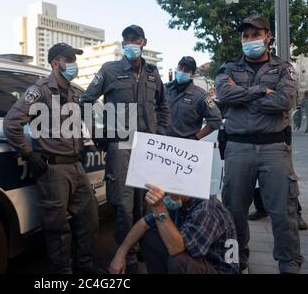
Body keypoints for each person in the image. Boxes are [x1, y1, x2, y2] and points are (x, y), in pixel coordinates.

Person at [215, 14, 303, 274]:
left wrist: (241, 97)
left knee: (283, 212)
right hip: (237, 148)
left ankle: (289, 265)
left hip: (274, 148)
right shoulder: (227, 68)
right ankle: (236, 261)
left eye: (256, 34)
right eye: (246, 35)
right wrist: (261, 91)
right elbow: (223, 94)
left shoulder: (284, 68)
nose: (250, 40)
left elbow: (284, 101)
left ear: (268, 37)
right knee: (233, 211)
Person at [4, 43, 102, 274]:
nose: (73, 64)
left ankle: (84, 265)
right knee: (58, 228)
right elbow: (11, 124)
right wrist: (28, 153)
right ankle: (62, 272)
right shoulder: (41, 91)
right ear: (55, 63)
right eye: (68, 59)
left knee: (89, 219)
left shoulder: (74, 93)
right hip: (53, 169)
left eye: (74, 59)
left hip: (76, 165)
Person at [80, 25, 170, 273]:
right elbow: (85, 101)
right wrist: (101, 137)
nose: (130, 43)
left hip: (147, 146)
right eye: (126, 40)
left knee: (145, 202)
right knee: (123, 204)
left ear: (144, 42)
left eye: (135, 39)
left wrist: (160, 134)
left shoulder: (153, 73)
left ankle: (141, 248)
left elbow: (163, 107)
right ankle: (126, 257)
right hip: (121, 145)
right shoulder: (109, 70)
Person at [109, 184, 239, 274]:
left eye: (166, 192)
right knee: (149, 237)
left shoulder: (206, 208)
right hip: (200, 263)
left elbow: (177, 249)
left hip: (217, 268)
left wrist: (159, 207)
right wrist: (120, 254)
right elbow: (143, 223)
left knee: (178, 260)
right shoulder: (180, 201)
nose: (164, 196)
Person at [165, 56, 222, 140]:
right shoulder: (163, 89)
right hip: (160, 144)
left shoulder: (201, 96)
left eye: (186, 70)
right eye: (180, 68)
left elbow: (216, 119)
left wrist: (196, 137)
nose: (182, 72)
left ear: (192, 74)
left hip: (184, 148)